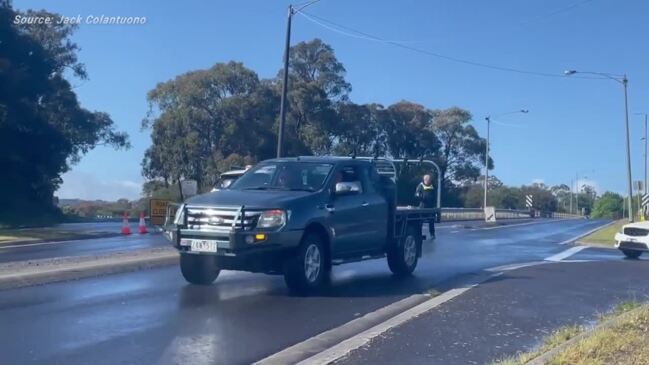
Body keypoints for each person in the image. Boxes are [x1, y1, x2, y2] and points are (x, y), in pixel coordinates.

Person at [415, 174, 436, 239]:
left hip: (431, 206)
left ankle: (432, 234)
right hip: (423, 206)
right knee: (420, 221)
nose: (428, 181)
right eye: (427, 179)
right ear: (424, 180)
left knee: (431, 221)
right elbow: (416, 194)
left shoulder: (433, 186)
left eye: (429, 179)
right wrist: (422, 198)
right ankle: (419, 235)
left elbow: (435, 194)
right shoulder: (420, 185)